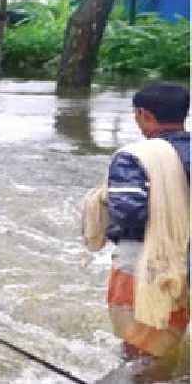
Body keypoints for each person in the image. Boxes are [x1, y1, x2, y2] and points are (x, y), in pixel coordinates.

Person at [84, 82, 189, 377]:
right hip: (187, 264)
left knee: (138, 349)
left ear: (143, 114)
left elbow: (130, 213)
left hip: (145, 263)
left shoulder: (134, 157)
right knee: (171, 340)